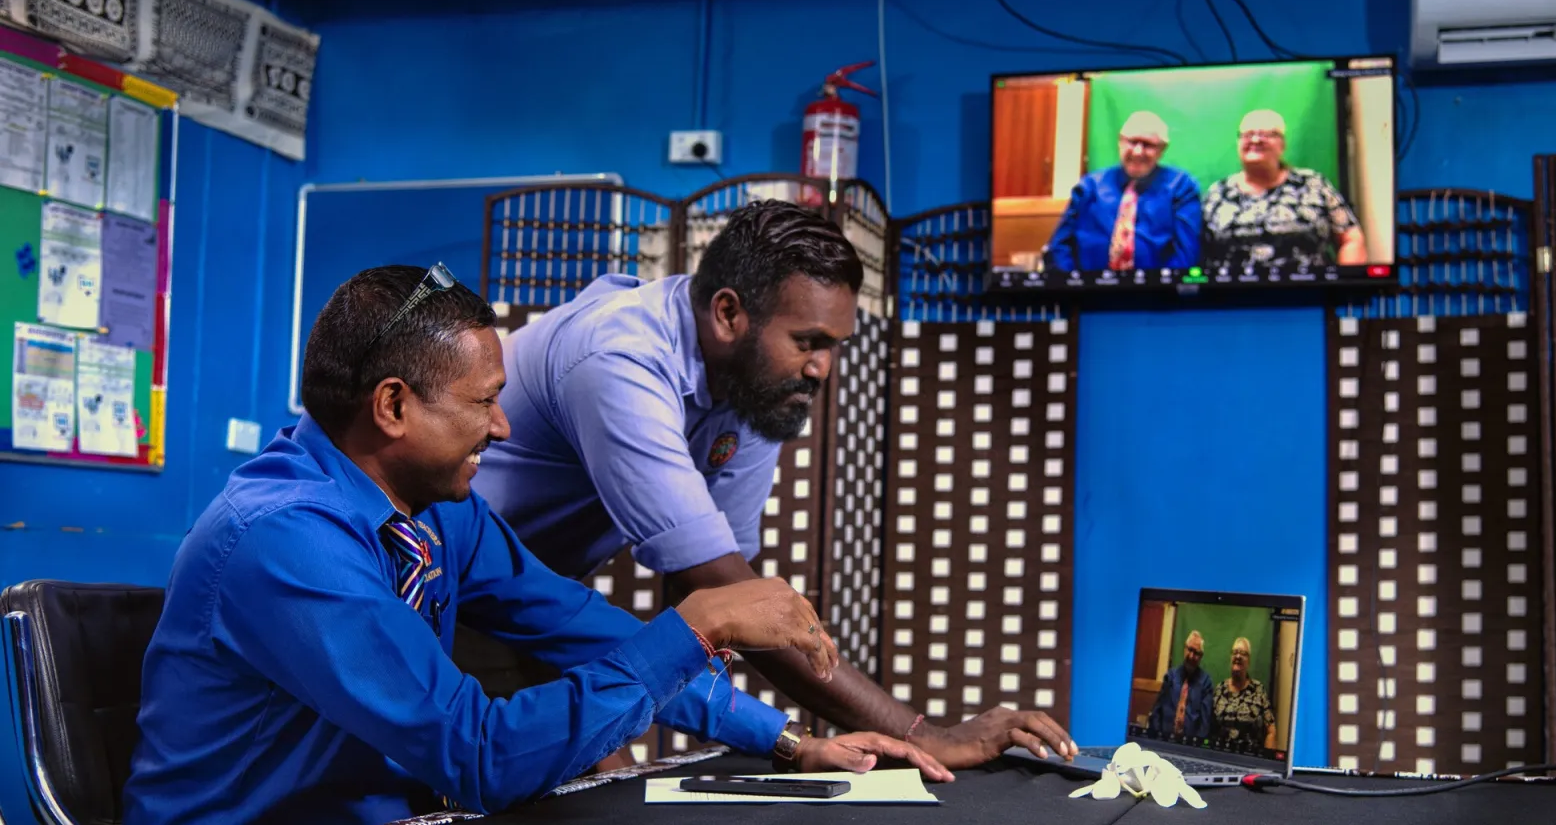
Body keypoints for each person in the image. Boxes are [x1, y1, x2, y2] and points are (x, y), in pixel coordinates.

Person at [123, 264, 951, 825]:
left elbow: (585, 627)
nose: (504, 426)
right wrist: (700, 626)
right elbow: (473, 753)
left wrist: (788, 740)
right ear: (392, 407)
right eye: (483, 403)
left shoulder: (439, 513)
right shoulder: (285, 542)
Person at [474, 199, 1076, 770]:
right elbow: (725, 593)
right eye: (808, 342)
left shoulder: (755, 386)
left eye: (835, 346)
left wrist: (785, 741)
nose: (823, 368)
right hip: (433, 592)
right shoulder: (618, 359)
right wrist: (928, 735)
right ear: (730, 314)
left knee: (608, 785)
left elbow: (712, 600)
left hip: (538, 606)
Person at [1201, 108, 1368, 271]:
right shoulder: (1218, 193)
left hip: (1309, 294)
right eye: (1248, 134)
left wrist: (1345, 285)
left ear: (1282, 144)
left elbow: (1351, 239)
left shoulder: (1313, 184)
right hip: (1234, 296)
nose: (1256, 140)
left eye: (1267, 134)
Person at [1043, 110, 1202, 273]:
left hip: (1155, 292)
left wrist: (1160, 290)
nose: (1138, 151)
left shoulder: (1181, 187)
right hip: (1089, 291)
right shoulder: (1090, 186)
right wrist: (1076, 287)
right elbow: (1059, 248)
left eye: (1148, 145)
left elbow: (1186, 254)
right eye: (1132, 142)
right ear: (1120, 142)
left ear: (1162, 150)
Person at [1212, 636, 1277, 749]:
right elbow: (1210, 728)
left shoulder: (1258, 690)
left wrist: (1266, 761)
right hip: (1221, 756)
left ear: (1249, 661)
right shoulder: (1219, 689)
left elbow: (1271, 731)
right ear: (1231, 657)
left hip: (1249, 758)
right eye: (1235, 652)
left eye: (1243, 653)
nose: (1238, 656)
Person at [1147, 630, 1214, 740]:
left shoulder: (1206, 682)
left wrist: (1196, 748)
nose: (1191, 656)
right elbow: (1157, 712)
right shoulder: (1170, 676)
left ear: (1201, 656)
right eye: (1190, 650)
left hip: (1190, 744)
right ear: (1184, 649)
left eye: (1196, 653)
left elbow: (1205, 724)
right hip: (1165, 739)